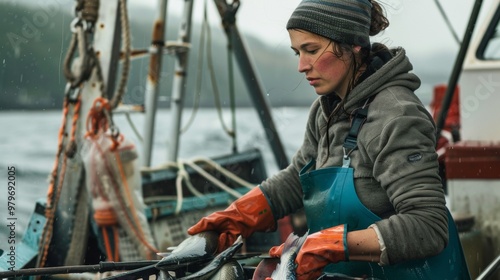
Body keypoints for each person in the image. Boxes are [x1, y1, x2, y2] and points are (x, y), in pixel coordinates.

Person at [188, 0, 471, 279]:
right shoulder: (326, 110)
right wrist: (240, 214)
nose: (301, 65)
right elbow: (298, 178)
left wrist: (336, 244)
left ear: (354, 45)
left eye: (311, 50)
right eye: (296, 52)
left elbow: (428, 226)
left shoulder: (397, 116)